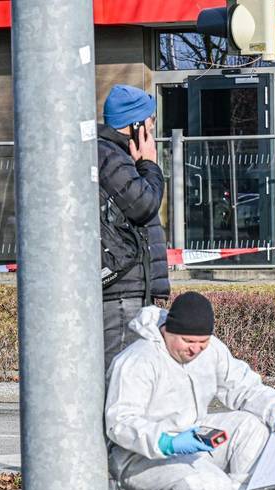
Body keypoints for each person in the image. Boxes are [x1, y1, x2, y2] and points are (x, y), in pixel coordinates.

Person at [105, 292, 275, 490]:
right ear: (167, 332)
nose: (195, 349)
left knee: (255, 427)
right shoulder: (137, 360)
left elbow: (244, 387)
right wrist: (167, 441)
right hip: (138, 457)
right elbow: (120, 422)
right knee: (212, 489)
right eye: (187, 341)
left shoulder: (212, 351)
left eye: (202, 342)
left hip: (191, 440)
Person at [98, 84, 170, 374]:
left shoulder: (117, 157)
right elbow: (144, 205)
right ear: (135, 126)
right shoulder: (111, 157)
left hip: (129, 290)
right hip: (122, 293)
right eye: (150, 124)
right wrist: (150, 164)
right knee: (122, 379)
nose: (152, 133)